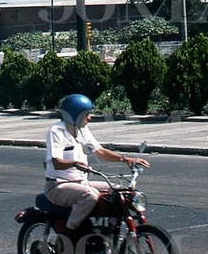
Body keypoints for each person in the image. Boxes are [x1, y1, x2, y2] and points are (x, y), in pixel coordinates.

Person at [44, 94, 149, 239]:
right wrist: (73, 164)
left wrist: (126, 159)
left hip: (81, 183)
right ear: (74, 115)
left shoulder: (82, 130)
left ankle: (109, 238)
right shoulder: (56, 131)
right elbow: (56, 162)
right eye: (86, 115)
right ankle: (67, 235)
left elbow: (99, 151)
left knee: (118, 193)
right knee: (90, 195)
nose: (90, 118)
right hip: (58, 186)